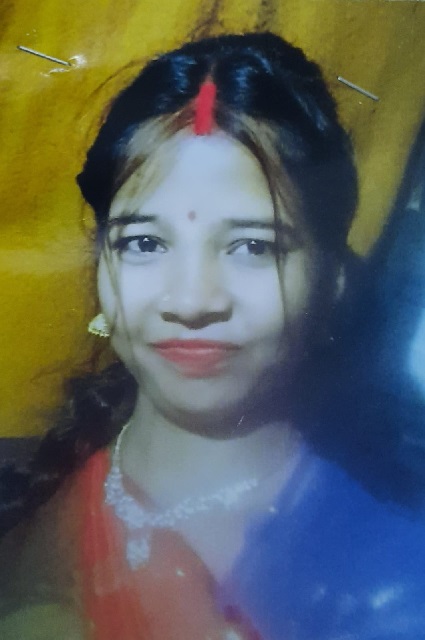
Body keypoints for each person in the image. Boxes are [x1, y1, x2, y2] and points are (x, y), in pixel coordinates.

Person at [0, 32, 424, 640]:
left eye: (252, 246)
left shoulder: (395, 572)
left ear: (330, 281)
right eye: (145, 242)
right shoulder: (35, 488)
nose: (191, 301)